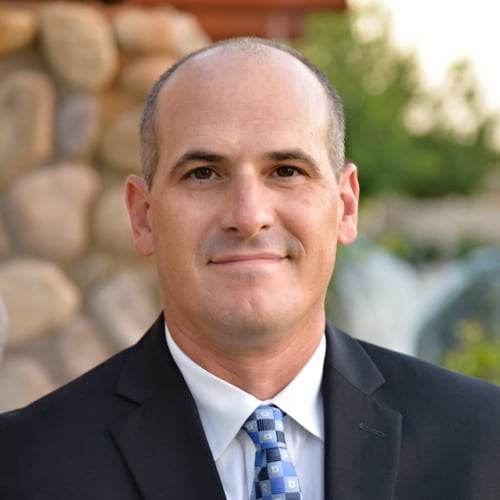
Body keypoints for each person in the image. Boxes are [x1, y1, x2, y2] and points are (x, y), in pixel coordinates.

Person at [0, 37, 499, 500]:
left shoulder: (484, 439)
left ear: (346, 207)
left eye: (286, 171)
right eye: (203, 173)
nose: (248, 214)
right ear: (143, 216)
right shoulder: (22, 466)